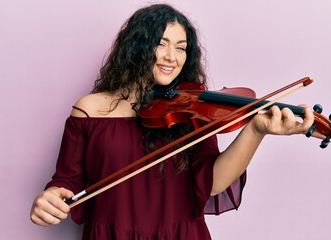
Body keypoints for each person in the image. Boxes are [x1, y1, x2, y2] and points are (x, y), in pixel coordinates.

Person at [30, 3, 315, 239]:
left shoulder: (192, 109)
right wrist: (51, 198)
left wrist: (255, 129)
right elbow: (66, 180)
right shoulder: (89, 110)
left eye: (181, 47)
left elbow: (211, 182)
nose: (172, 56)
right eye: (161, 44)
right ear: (137, 47)